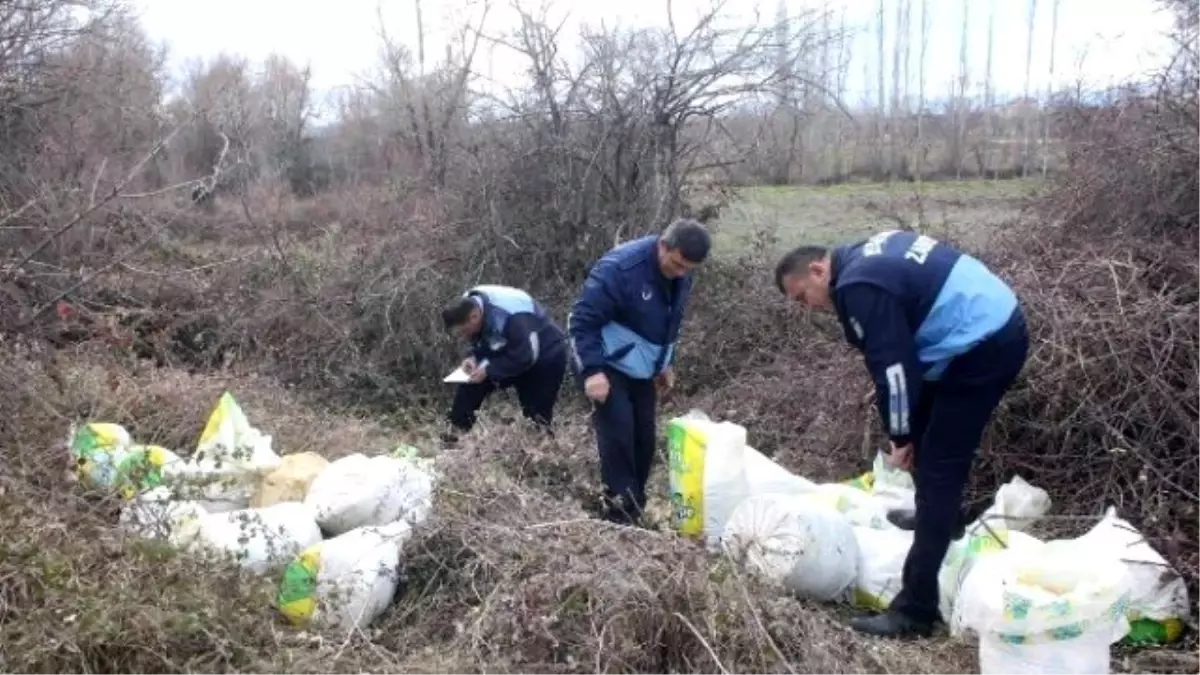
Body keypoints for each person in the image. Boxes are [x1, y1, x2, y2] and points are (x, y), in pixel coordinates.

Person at [773, 229, 1029, 639]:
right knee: (925, 437)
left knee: (941, 464)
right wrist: (909, 431)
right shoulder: (860, 255)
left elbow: (893, 370)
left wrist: (900, 435)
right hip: (981, 327)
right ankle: (939, 518)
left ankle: (915, 610)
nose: (809, 308)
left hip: (984, 345)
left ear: (819, 270)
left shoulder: (858, 287)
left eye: (803, 297)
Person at [568, 218, 712, 525]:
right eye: (677, 265)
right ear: (663, 246)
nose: (682, 273)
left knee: (644, 439)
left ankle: (636, 506)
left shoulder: (679, 271)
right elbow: (581, 321)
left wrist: (664, 364)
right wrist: (593, 371)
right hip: (605, 364)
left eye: (689, 269)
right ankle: (621, 517)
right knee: (619, 434)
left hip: (642, 369)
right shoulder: (620, 269)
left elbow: (667, 320)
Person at [440, 285, 568, 441]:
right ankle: (454, 434)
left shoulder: (513, 314)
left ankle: (541, 447)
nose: (464, 337)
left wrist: (489, 370)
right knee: (471, 381)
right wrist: (473, 358)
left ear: (474, 317)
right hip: (507, 349)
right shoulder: (469, 302)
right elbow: (481, 338)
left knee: (536, 415)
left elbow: (526, 355)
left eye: (464, 332)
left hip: (544, 355)